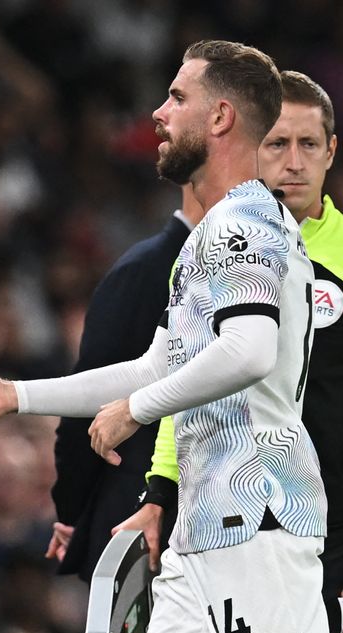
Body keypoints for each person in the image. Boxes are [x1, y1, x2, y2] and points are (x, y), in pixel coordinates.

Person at [0, 40, 332, 633]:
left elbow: (249, 350)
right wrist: (17, 396)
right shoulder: (211, 235)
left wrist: (136, 410)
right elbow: (156, 366)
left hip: (257, 520)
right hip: (204, 523)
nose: (159, 114)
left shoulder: (244, 223)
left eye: (177, 97)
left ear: (220, 118)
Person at [118, 71, 343, 633]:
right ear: (253, 145)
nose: (292, 162)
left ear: (332, 151)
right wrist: (160, 492)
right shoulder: (221, 246)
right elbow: (187, 375)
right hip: (222, 526)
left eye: (308, 144)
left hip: (332, 541)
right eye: (277, 144)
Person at [45, 184, 201, 580]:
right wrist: (74, 510)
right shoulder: (144, 269)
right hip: (136, 516)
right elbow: (90, 396)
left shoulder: (259, 267)